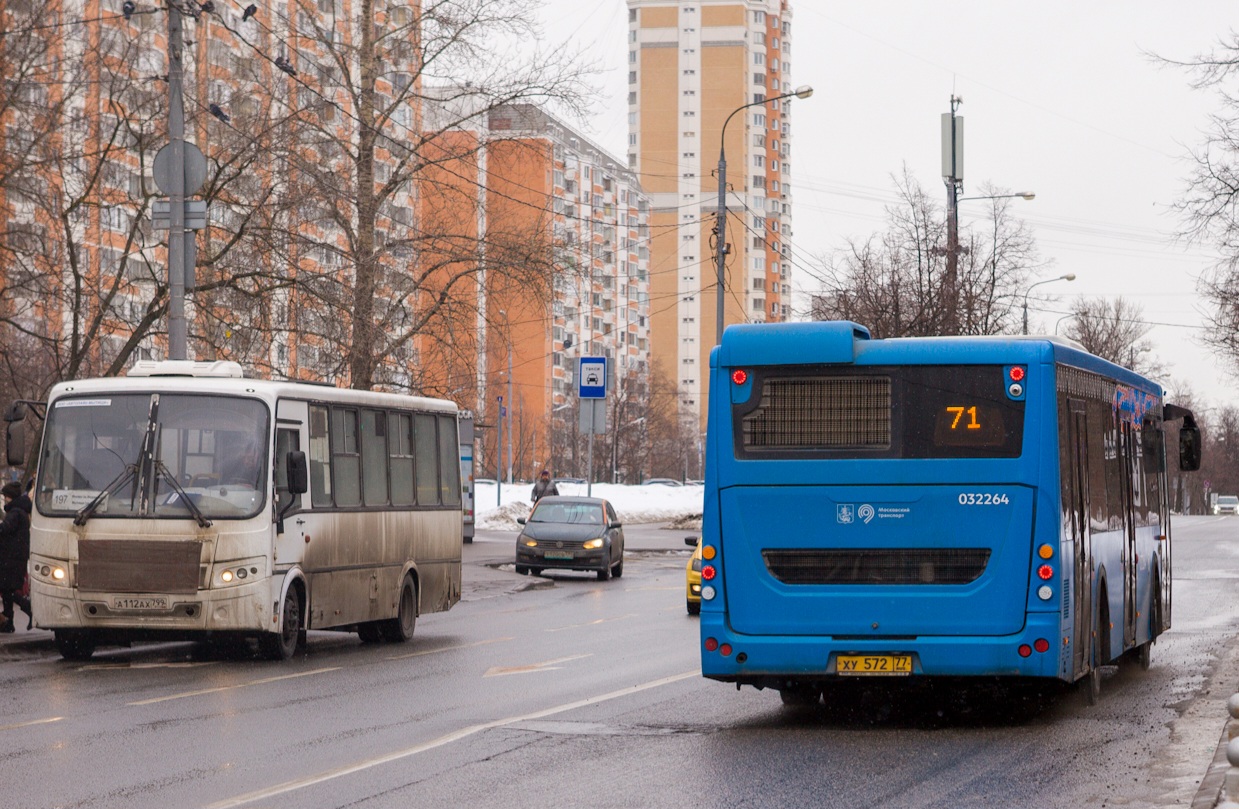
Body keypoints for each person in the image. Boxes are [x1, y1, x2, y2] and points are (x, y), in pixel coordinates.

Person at [0, 481, 32, 633]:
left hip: (11, 558)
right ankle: (8, 621)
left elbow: (5, 529)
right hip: (15, 557)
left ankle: (29, 609)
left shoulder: (15, 513)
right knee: (7, 589)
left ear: (10, 496)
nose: (5, 499)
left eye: (5, 496)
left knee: (9, 590)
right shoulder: (21, 511)